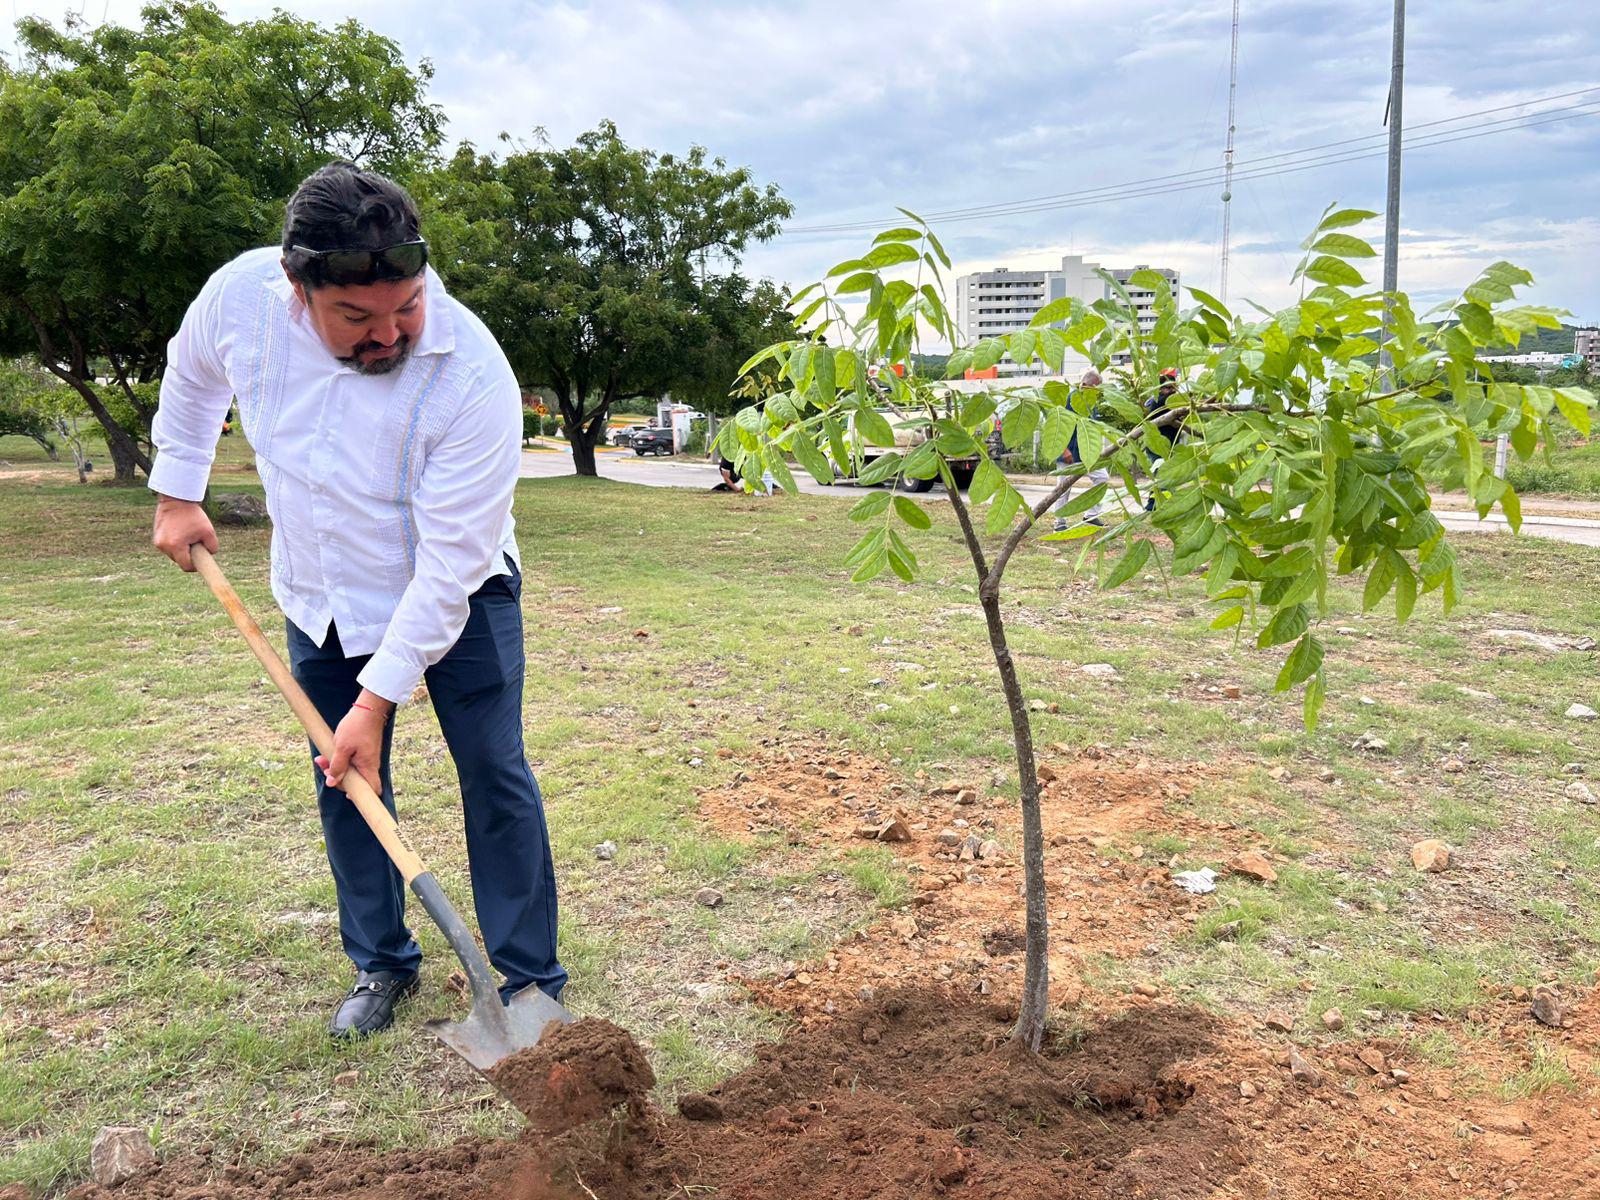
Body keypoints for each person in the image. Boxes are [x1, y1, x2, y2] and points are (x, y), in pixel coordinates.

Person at [148, 161, 565, 1039]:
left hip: (462, 596)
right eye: (357, 318)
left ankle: (530, 981)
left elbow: (451, 562)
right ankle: (382, 964)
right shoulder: (240, 301)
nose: (390, 334)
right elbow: (191, 381)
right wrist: (179, 491)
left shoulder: (473, 374)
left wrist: (378, 700)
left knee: (494, 774)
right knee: (345, 783)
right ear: (297, 289)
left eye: (405, 307)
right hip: (320, 595)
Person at [1051, 369, 1111, 530]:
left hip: (1087, 454)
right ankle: (1059, 523)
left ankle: (1091, 515)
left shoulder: (1090, 403)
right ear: (1085, 385)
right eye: (1094, 388)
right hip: (1068, 453)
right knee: (1063, 488)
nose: (1096, 392)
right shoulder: (1070, 399)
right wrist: (1063, 450)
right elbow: (1059, 427)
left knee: (1102, 478)